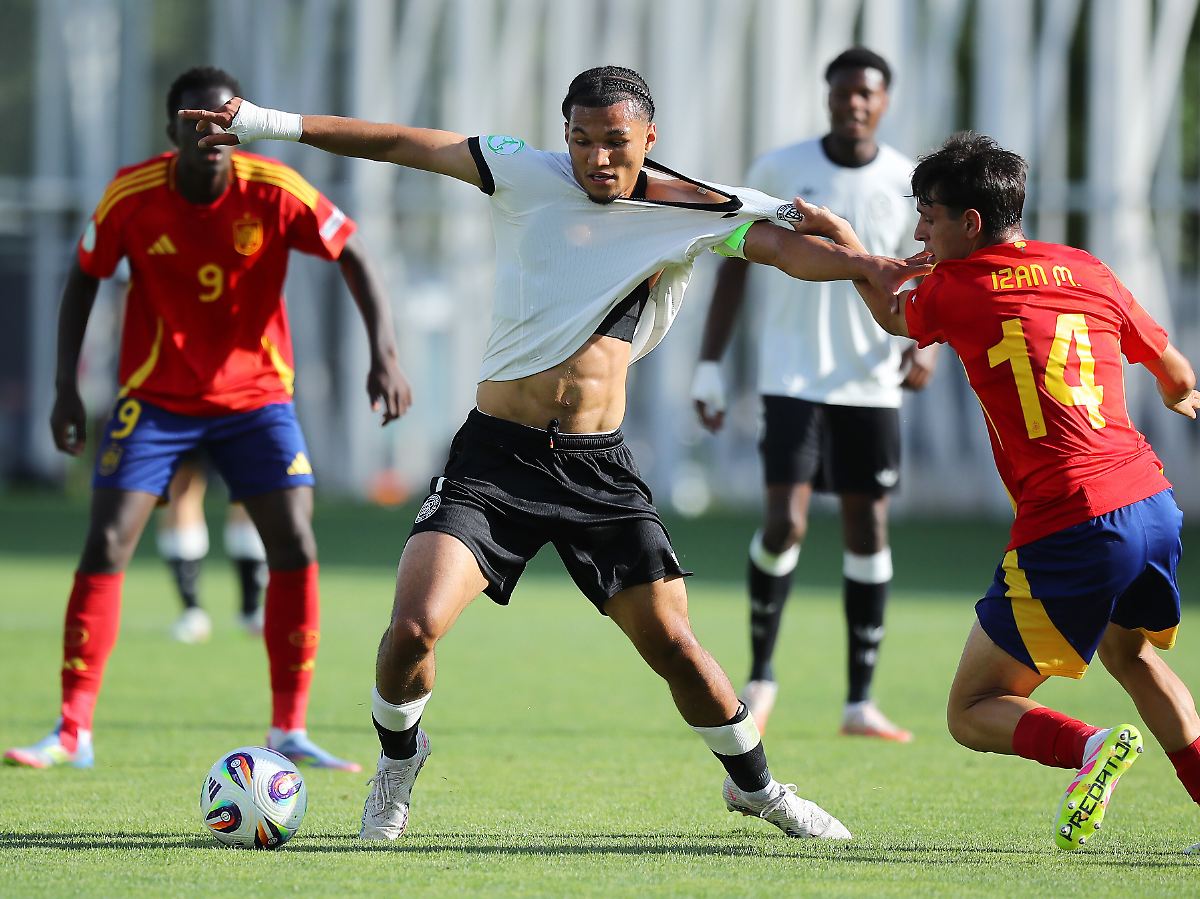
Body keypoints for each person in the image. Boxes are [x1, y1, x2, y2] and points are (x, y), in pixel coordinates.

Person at [180, 65, 925, 842]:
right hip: (492, 460)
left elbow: (778, 249)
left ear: (649, 140)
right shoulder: (518, 170)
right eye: (581, 140)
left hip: (597, 470)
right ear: (561, 133)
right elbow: (402, 142)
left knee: (676, 648)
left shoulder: (684, 207)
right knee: (411, 629)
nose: (597, 159)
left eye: (616, 143)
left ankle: (760, 790)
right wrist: (268, 121)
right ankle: (398, 762)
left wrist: (868, 266)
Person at [4, 66, 411, 773]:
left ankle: (288, 729)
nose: (212, 133)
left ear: (242, 124)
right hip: (154, 397)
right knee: (106, 541)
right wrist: (66, 386)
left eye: (226, 121)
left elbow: (354, 251)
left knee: (295, 539)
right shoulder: (132, 194)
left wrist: (385, 355)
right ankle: (74, 729)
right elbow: (83, 277)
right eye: (196, 123)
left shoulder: (276, 189)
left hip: (256, 398)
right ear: (172, 132)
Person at [811, 130, 1200, 850]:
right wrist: (1181, 397)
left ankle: (1088, 748)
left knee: (972, 708)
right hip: (1151, 501)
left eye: (929, 213)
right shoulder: (1087, 268)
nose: (920, 227)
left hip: (1073, 520)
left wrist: (844, 245)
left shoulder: (959, 287)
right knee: (1132, 655)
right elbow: (1175, 374)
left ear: (972, 224)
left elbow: (893, 312)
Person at [691, 47, 936, 740]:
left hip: (872, 378)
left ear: (884, 101)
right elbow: (736, 258)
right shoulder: (780, 169)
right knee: (785, 524)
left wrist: (927, 343)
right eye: (844, 91)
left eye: (868, 93)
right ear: (827, 95)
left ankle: (859, 700)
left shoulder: (905, 180)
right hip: (791, 375)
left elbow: (928, 272)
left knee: (868, 527)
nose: (855, 103)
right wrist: (710, 362)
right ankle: (761, 675)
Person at [158, 453, 268, 644]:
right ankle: (192, 610)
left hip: (238, 422)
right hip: (187, 423)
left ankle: (252, 609)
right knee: (182, 484)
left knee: (252, 483)